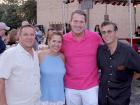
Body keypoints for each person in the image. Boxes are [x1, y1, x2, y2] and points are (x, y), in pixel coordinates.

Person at [62, 10, 102, 105]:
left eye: (81, 22)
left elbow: (107, 51)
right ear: (70, 22)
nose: (78, 25)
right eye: (75, 21)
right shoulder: (63, 39)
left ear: (85, 23)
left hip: (91, 87)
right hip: (70, 87)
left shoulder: (95, 37)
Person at [97, 21, 140, 105]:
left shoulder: (128, 51)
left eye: (109, 31)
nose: (106, 34)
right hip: (103, 99)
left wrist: (128, 79)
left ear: (116, 32)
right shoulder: (100, 51)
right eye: (103, 32)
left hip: (120, 100)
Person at [0, 24, 41, 105]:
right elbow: (1, 82)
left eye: (32, 34)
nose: (29, 37)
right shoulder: (9, 54)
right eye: (25, 34)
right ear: (19, 36)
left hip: (36, 101)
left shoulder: (35, 54)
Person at [38, 32, 65, 105]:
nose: (56, 44)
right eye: (54, 41)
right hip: (44, 98)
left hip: (59, 98)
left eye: (59, 42)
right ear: (49, 42)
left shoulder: (62, 57)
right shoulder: (40, 55)